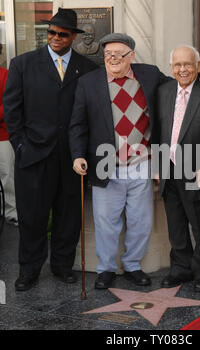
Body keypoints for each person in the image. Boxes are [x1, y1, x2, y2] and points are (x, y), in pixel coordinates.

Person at [3, 8, 98, 292]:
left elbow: (92, 113)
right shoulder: (22, 64)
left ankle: (62, 266)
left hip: (71, 157)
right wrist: (20, 144)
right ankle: (29, 270)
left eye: (63, 34)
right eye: (52, 32)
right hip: (33, 155)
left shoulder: (88, 68)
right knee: (32, 217)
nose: (56, 38)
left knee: (68, 216)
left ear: (73, 37)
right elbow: (12, 109)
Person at [69, 33, 173, 290]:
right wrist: (78, 155)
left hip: (142, 162)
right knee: (106, 221)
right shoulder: (88, 82)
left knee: (141, 220)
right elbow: (78, 123)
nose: (112, 58)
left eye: (118, 54)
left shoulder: (149, 74)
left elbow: (178, 85)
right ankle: (106, 269)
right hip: (106, 163)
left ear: (131, 56)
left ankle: (133, 265)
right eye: (108, 54)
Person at [157, 45, 200, 292]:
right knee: (175, 224)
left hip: (199, 170)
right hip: (170, 168)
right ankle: (181, 268)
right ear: (171, 68)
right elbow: (159, 130)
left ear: (198, 67)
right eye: (177, 65)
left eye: (188, 64)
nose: (182, 69)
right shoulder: (163, 91)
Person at [0, 43, 18, 226]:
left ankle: (11, 211)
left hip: (3, 136)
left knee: (7, 176)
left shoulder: (5, 75)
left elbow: (10, 105)